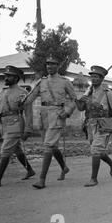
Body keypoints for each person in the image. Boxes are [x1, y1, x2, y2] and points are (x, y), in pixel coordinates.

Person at [22, 56, 77, 190]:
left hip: (57, 115)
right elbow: (30, 98)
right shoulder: (42, 82)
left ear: (58, 66)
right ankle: (64, 167)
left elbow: (75, 99)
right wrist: (20, 102)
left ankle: (42, 179)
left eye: (52, 65)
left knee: (48, 146)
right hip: (44, 116)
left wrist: (68, 111)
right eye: (47, 65)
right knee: (52, 146)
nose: (49, 67)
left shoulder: (65, 82)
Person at [0, 66, 35, 189]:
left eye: (9, 76)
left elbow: (28, 113)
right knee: (17, 150)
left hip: (16, 124)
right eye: (5, 75)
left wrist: (28, 129)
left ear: (16, 78)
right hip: (4, 125)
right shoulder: (3, 92)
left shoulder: (23, 93)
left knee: (5, 151)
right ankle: (30, 170)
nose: (6, 78)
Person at [76, 66, 112, 187]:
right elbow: (81, 108)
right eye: (92, 77)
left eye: (96, 77)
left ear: (102, 79)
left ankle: (94, 179)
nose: (94, 79)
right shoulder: (88, 92)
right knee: (98, 150)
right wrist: (80, 100)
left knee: (95, 150)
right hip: (90, 125)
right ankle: (111, 163)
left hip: (103, 125)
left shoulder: (107, 93)